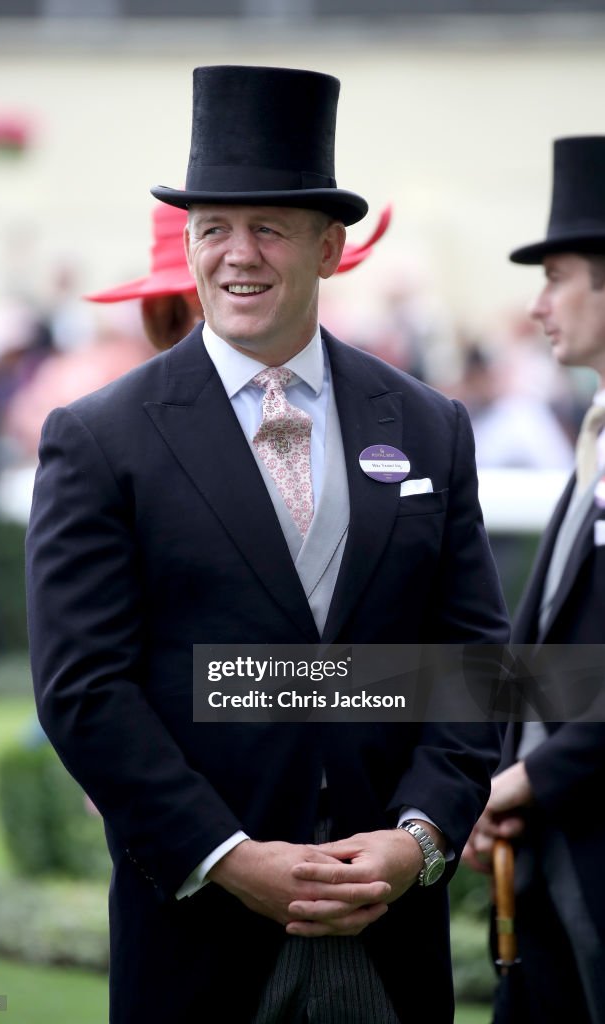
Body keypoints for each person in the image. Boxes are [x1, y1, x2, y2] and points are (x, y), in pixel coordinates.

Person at [26, 65, 509, 1024]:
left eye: (268, 228)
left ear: (330, 247)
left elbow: (476, 663)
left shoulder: (428, 424)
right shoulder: (99, 438)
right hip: (199, 937)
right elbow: (83, 690)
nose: (234, 256)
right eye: (212, 228)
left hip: (388, 933)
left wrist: (415, 841)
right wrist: (226, 856)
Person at [462, 136, 605, 1024]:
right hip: (551, 859)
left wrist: (516, 782)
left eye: (556, 277)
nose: (536, 304)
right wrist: (497, 767)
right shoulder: (591, 430)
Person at [84, 198, 393, 350]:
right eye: (215, 230)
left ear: (325, 251)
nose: (242, 258)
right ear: (191, 250)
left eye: (267, 230)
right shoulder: (110, 426)